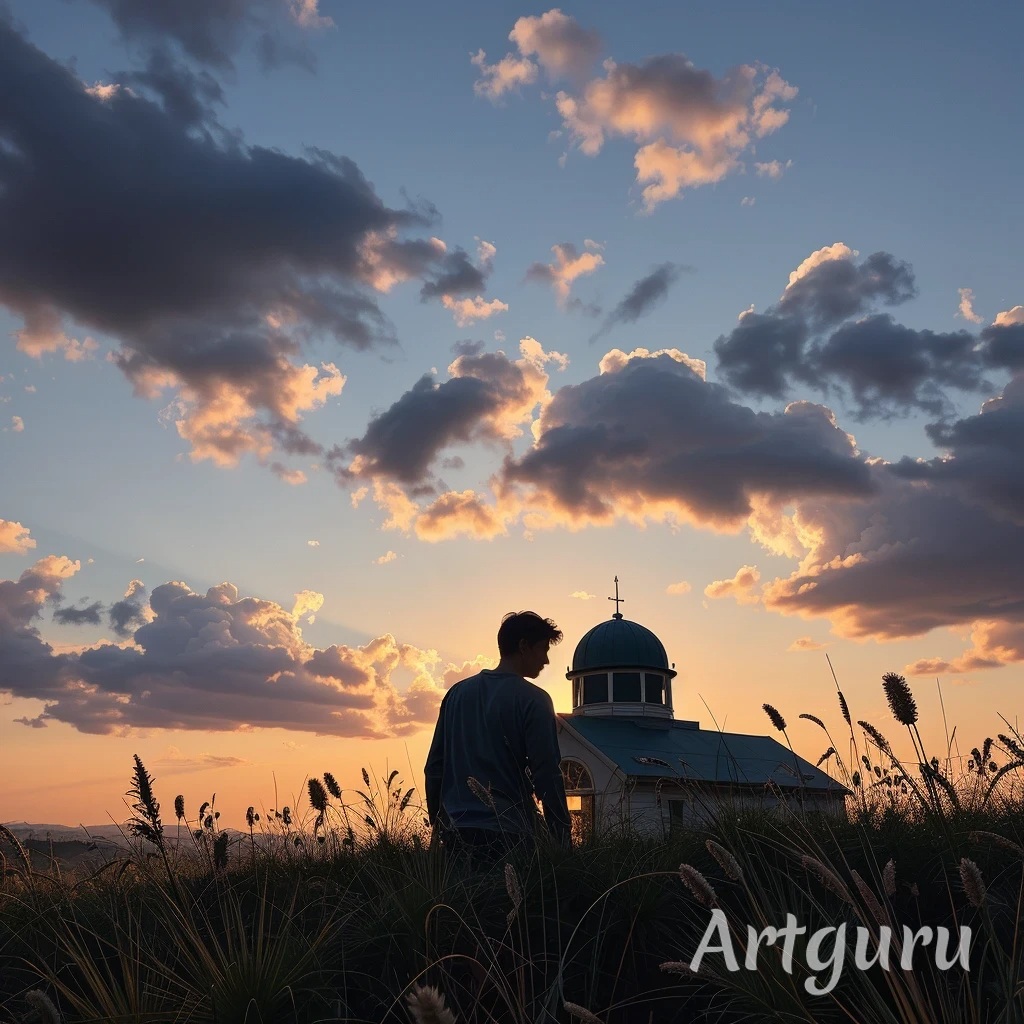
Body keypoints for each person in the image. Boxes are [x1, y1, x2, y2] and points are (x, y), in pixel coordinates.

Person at [424, 611, 572, 863]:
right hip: (510, 835)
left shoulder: (456, 694)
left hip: (456, 836)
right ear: (524, 646)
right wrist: (562, 841)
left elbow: (435, 768)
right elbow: (547, 774)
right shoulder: (534, 700)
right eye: (543, 649)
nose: (546, 660)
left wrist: (439, 827)